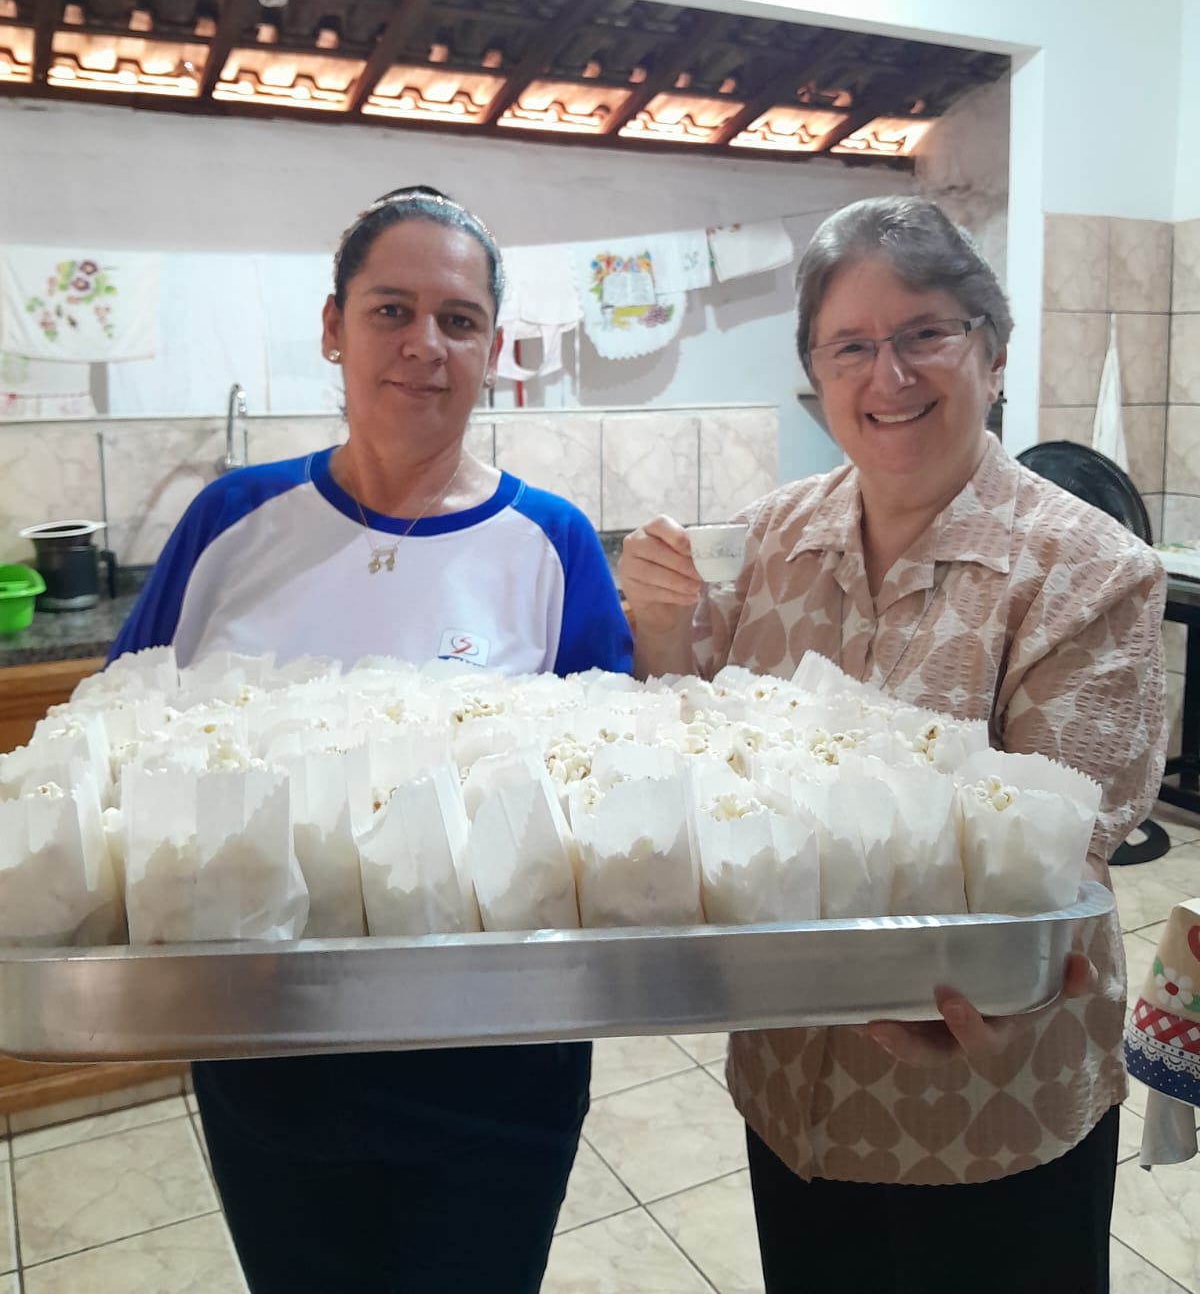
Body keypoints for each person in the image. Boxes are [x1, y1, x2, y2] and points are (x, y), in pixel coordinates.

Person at [619, 197, 1165, 1294]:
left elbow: (1059, 854)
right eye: (851, 347)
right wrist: (662, 625)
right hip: (793, 1089)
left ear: (992, 353)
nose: (890, 375)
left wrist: (999, 990)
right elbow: (695, 746)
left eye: (925, 333)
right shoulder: (771, 537)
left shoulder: (1088, 571)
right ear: (816, 377)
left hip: (988, 1105)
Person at [110, 185, 631, 1294]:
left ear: (493, 348)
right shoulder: (230, 523)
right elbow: (115, 753)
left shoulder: (552, 543)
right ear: (332, 327)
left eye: (459, 319)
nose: (424, 345)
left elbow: (613, 796)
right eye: (391, 309)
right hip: (266, 1049)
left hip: (498, 1063)